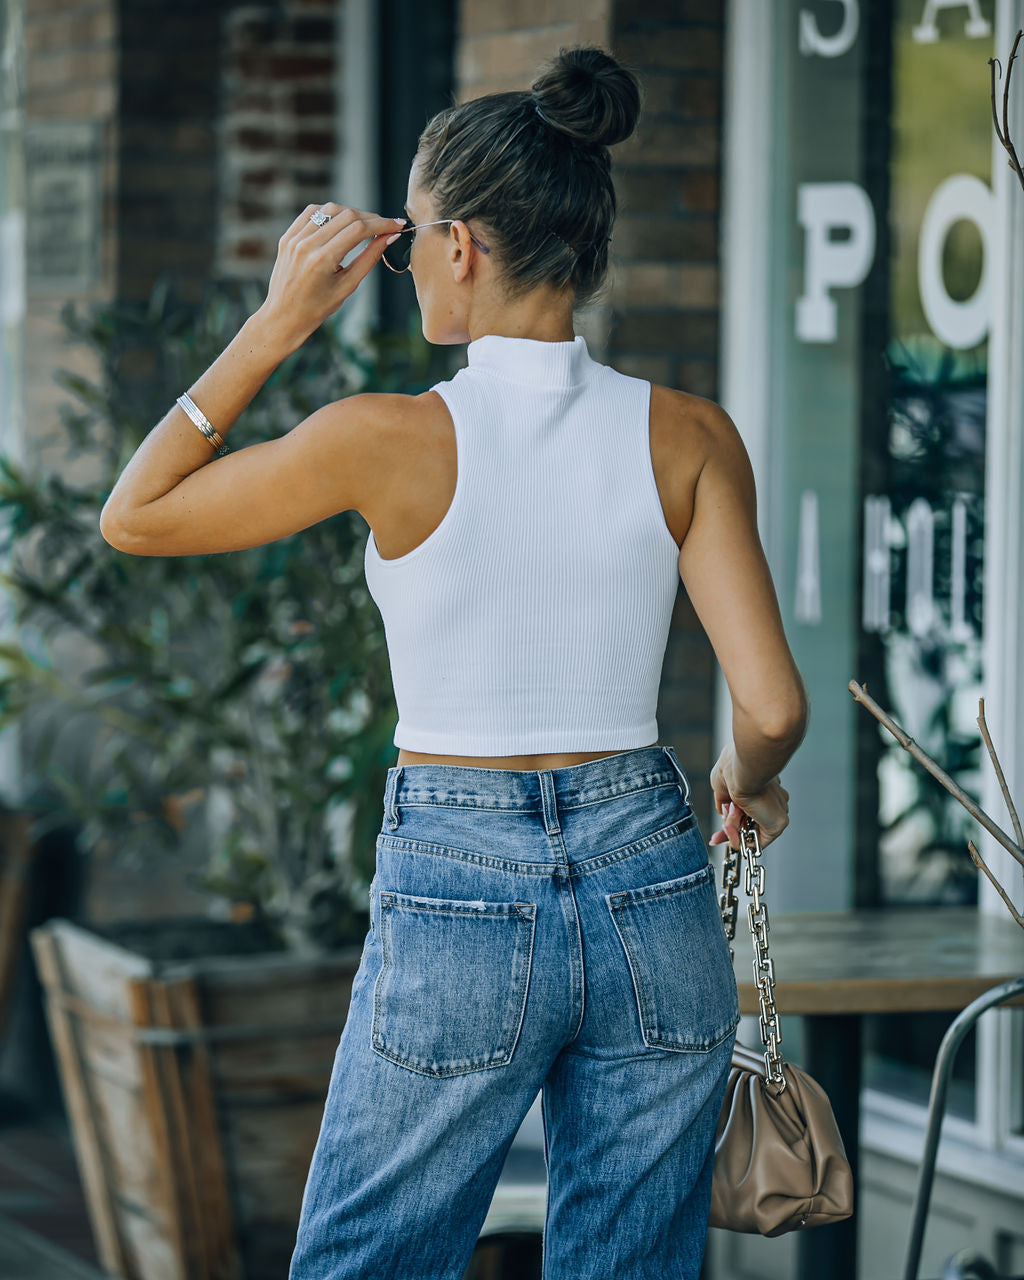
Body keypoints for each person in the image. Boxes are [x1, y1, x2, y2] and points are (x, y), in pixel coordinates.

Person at [100, 44, 807, 1280]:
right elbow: (772, 704)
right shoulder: (689, 434)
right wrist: (751, 777)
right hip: (650, 871)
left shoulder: (383, 440)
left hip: (455, 883)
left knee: (365, 1261)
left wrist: (276, 320)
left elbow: (138, 512)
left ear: (465, 246)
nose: (407, 258)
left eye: (416, 234)